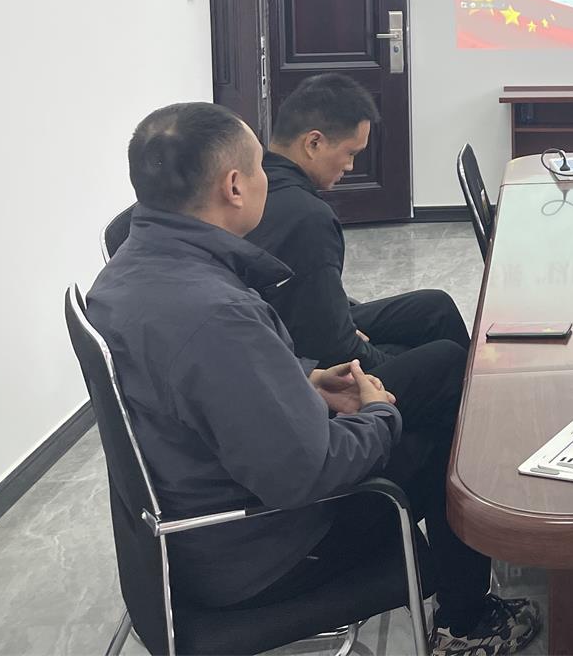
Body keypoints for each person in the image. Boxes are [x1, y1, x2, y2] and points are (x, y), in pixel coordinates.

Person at [87, 103, 539, 654]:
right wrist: (379, 414)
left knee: (441, 372)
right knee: (446, 433)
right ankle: (466, 622)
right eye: (260, 168)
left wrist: (306, 381)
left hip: (195, 531)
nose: (267, 180)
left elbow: (213, 389)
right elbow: (309, 472)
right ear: (234, 186)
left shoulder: (124, 274)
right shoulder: (216, 315)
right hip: (264, 552)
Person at [247, 74, 470, 430]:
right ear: (314, 143)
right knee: (446, 359)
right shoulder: (308, 217)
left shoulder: (262, 186)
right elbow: (331, 346)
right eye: (350, 153)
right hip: (310, 367)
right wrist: (387, 359)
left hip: (291, 329)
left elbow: (316, 302)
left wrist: (346, 322)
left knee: (433, 306)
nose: (350, 167)